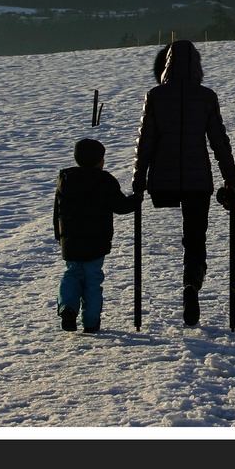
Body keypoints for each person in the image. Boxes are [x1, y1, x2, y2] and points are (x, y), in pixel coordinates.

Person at [132, 40, 235, 327]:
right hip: (198, 181)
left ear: (167, 66)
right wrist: (232, 181)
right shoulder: (206, 97)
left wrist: (139, 181)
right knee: (195, 239)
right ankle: (191, 286)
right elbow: (219, 143)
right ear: (197, 66)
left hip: (163, 181)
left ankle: (184, 289)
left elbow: (146, 142)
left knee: (182, 235)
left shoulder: (155, 96)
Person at [53, 138, 141, 333]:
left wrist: (59, 236)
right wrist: (136, 199)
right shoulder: (104, 180)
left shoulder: (65, 179)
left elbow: (56, 211)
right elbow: (121, 206)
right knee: (92, 280)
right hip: (95, 241)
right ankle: (91, 323)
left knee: (72, 274)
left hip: (71, 241)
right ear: (99, 160)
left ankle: (67, 307)